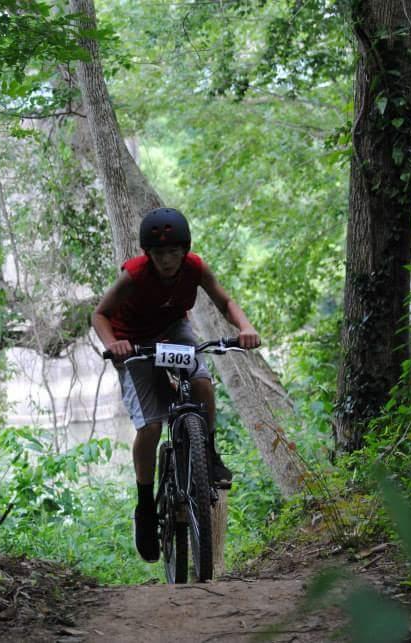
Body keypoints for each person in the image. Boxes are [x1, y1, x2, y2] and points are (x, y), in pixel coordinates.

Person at [92, 207, 261, 562]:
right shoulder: (134, 275)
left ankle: (208, 454)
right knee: (152, 425)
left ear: (184, 251)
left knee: (202, 383)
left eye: (173, 253)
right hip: (132, 341)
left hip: (172, 331)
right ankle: (144, 505)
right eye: (158, 254)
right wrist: (113, 345)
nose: (166, 261)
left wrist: (244, 328)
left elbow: (225, 300)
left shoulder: (195, 268)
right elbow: (100, 314)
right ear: (147, 255)